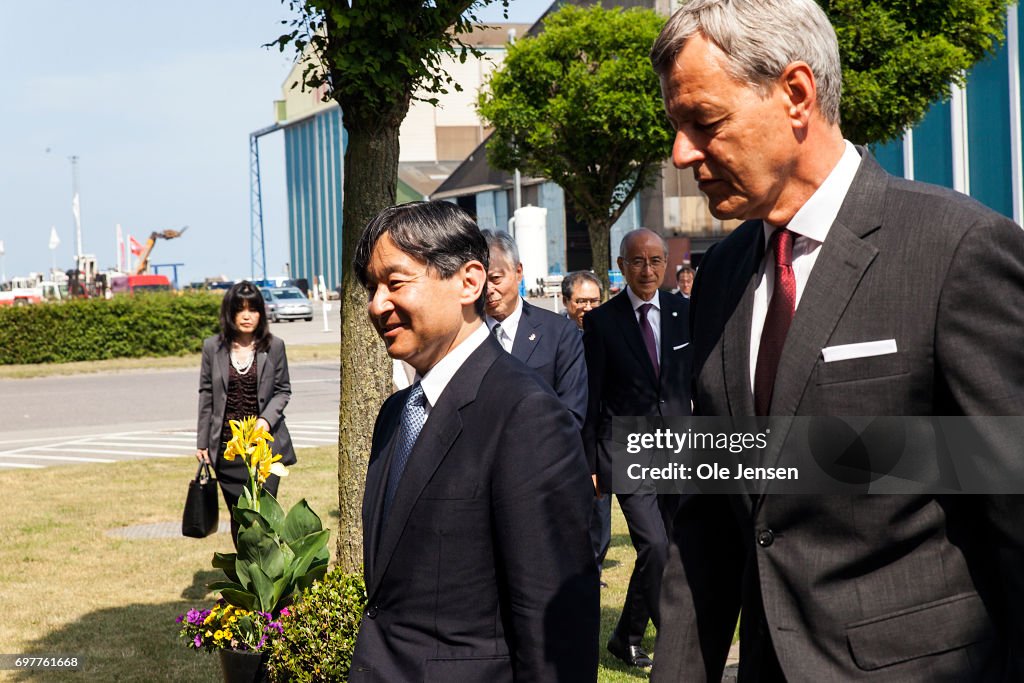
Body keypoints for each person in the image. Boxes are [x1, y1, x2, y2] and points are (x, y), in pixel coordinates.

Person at [650, 1, 1024, 681]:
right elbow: (706, 526)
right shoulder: (721, 276)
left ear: (796, 93)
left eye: (704, 123)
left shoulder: (955, 250)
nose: (682, 154)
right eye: (676, 127)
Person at [350, 201, 599, 682]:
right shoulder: (395, 415)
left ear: (469, 281)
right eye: (371, 287)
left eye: (395, 283)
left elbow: (555, 621)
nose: (376, 304)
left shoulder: (526, 415)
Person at [582, 228, 692, 668]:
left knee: (669, 547)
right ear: (622, 266)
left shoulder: (688, 311)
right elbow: (591, 396)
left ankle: (626, 633)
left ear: (665, 264)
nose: (647, 270)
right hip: (625, 448)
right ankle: (676, 645)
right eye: (637, 262)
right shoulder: (602, 322)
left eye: (655, 261)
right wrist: (589, 462)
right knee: (654, 546)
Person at [195, 281, 296, 544]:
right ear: (230, 313)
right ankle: (247, 581)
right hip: (228, 451)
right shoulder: (212, 348)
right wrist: (202, 443)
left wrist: (265, 419)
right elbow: (206, 395)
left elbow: (283, 390)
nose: (247, 315)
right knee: (239, 520)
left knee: (265, 518)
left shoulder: (274, 346)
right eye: (240, 309)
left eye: (253, 309)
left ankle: (270, 580)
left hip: (265, 451)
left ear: (262, 313)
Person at [482, 230, 588, 428]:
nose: (488, 290)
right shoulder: (462, 333)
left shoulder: (559, 333)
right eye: (480, 281)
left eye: (495, 278)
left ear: (518, 272)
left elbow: (571, 415)